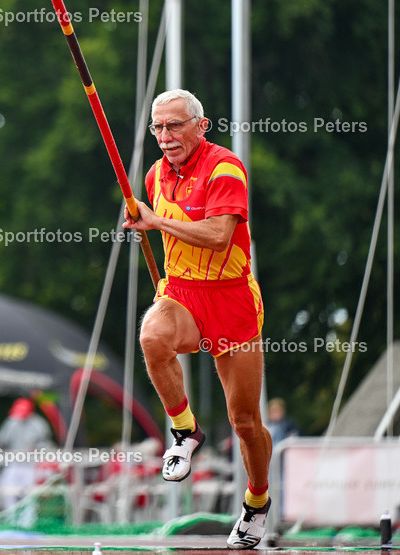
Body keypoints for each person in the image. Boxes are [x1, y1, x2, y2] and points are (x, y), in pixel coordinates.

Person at [122, 89, 272, 549]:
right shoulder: (153, 177)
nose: (165, 137)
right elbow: (154, 221)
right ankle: (184, 430)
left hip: (231, 299)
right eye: (158, 128)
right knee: (151, 337)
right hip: (183, 292)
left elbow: (218, 235)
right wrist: (141, 222)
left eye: (175, 125)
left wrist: (157, 223)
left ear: (200, 126)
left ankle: (257, 501)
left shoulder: (224, 167)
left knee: (245, 421)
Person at [0, 398, 52, 524]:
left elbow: (46, 444)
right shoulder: (11, 421)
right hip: (13, 463)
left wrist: (37, 448)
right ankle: (11, 521)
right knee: (8, 492)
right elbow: (2, 441)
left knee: (29, 495)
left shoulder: (38, 424)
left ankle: (27, 523)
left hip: (30, 465)